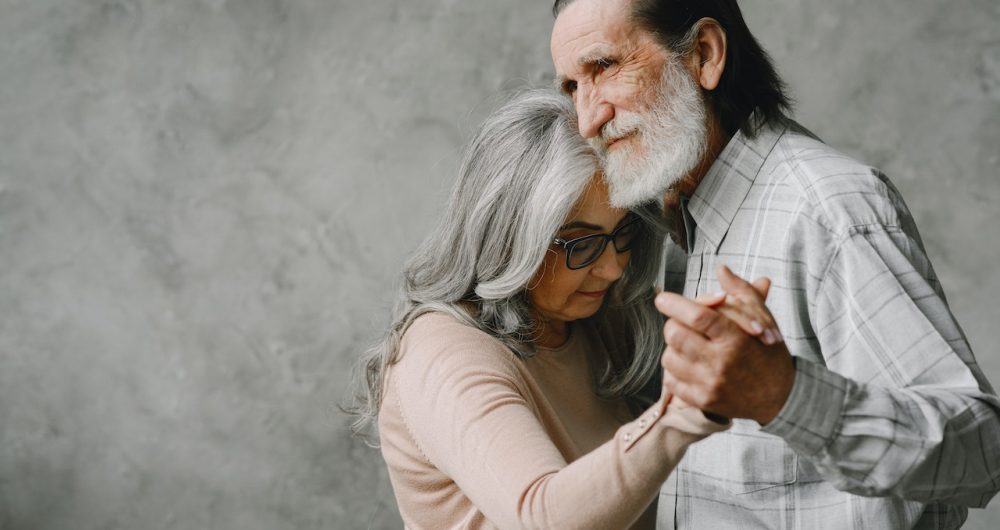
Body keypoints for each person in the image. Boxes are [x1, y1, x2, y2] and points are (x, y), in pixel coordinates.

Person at [549, 0, 1000, 528]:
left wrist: (785, 395)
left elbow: (984, 450)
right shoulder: (659, 221)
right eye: (572, 87)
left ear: (704, 54)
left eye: (603, 68)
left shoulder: (828, 208)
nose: (586, 120)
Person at [349, 89, 748, 529]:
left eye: (623, 232)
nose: (612, 268)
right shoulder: (443, 353)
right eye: (581, 243)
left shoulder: (601, 314)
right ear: (509, 237)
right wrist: (681, 414)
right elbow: (542, 518)